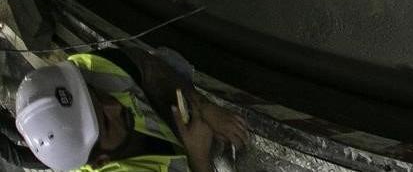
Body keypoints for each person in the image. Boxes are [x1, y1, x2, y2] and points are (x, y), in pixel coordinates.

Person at [11, 47, 247, 171]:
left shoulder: (85, 73)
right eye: (103, 121)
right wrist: (198, 158)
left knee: (169, 61)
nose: (114, 106)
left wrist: (202, 106)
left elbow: (142, 64)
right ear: (101, 162)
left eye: (96, 96)